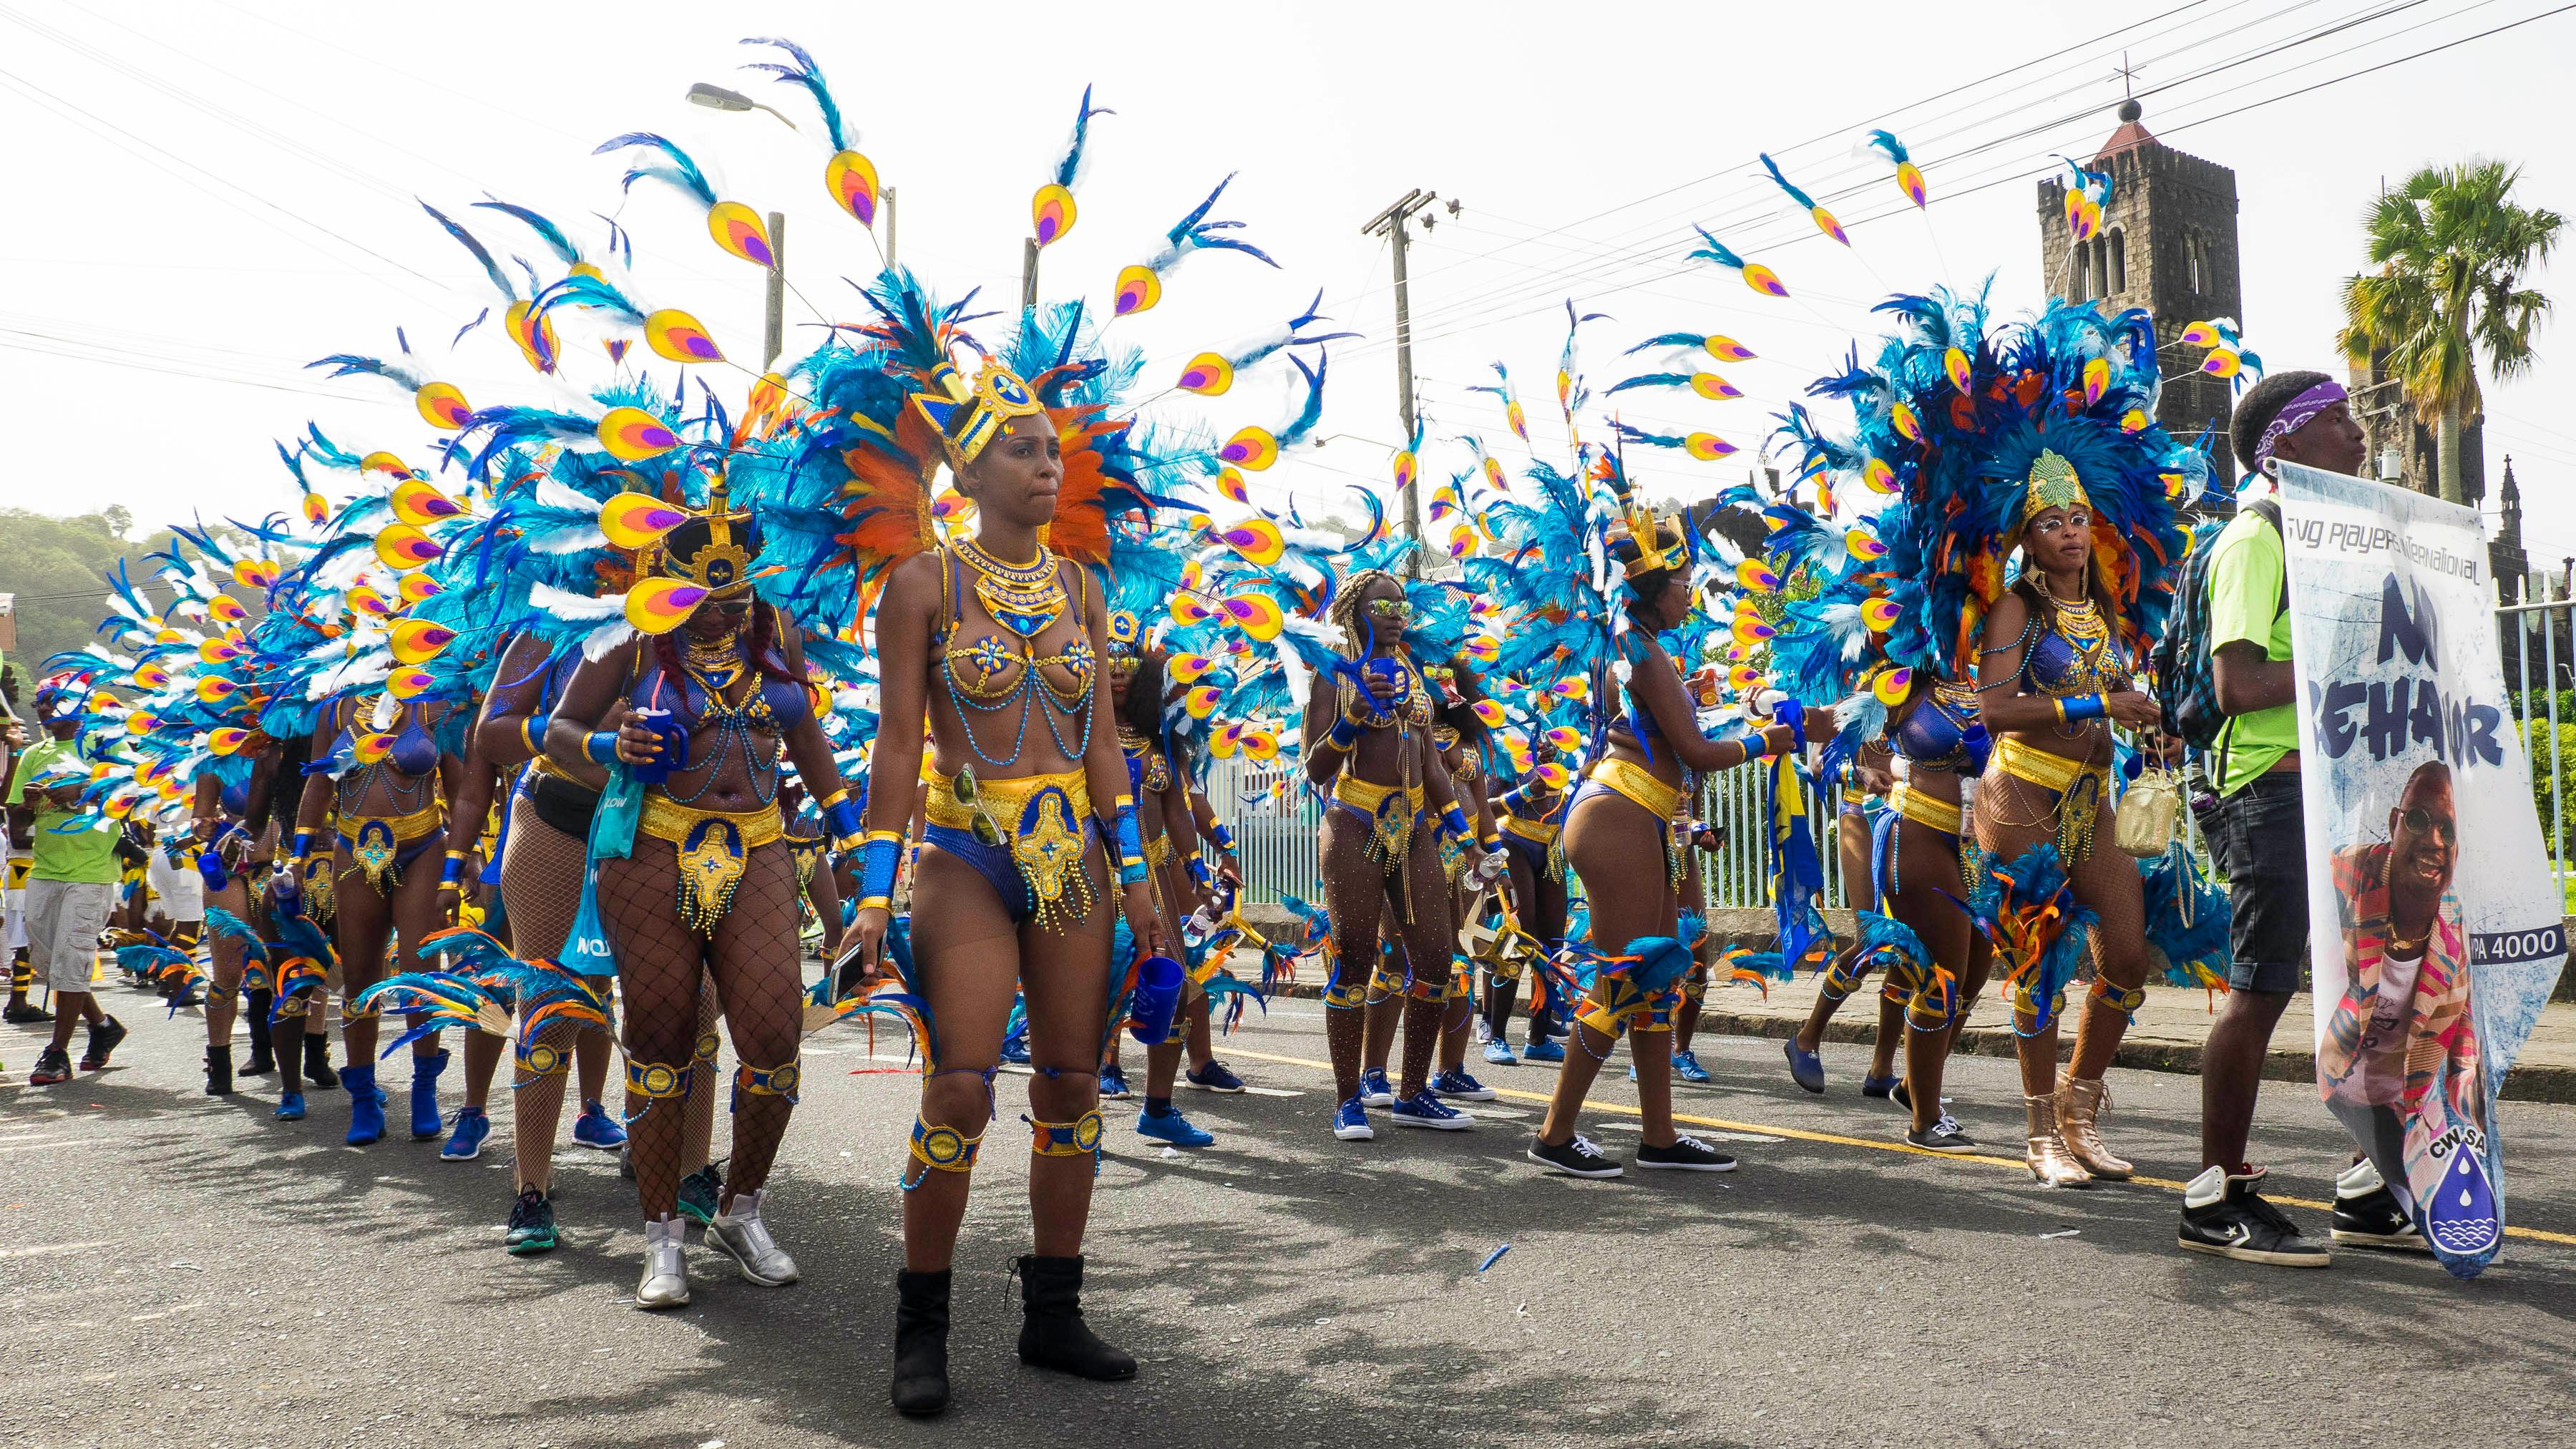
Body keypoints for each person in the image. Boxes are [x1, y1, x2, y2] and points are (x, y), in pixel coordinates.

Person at [839, 340, 1169, 1418]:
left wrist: (1139, 871)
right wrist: (874, 891)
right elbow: (896, 744)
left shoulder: (1083, 582)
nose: (1047, 467)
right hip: (965, 853)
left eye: (1053, 451)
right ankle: (920, 1324)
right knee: (961, 1088)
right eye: (1022, 451)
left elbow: (1106, 742)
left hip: (1071, 854)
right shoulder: (922, 582)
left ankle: (1053, 1313)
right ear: (968, 473)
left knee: (1074, 1084)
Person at [551, 483, 850, 1309]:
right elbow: (555, 732)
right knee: (660, 1036)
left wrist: (853, 831)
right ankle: (661, 1237)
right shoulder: (632, 635)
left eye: (735, 598)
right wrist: (614, 744)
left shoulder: (773, 630)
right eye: (702, 601)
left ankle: (740, 1209)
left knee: (771, 1033)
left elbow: (806, 736)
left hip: (756, 845)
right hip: (652, 848)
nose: (720, 618)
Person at [2182, 369, 2407, 1265]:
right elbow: (2237, 683)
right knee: (2262, 989)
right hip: (2267, 792)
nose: (2358, 434)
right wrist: (2353, 673)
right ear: (2287, 443)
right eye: (2340, 421)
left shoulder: (2333, 537)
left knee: (2376, 989)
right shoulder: (2255, 538)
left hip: (2339, 792)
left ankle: (2366, 1186)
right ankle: (2214, 1193)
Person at [1526, 497, 1797, 1180]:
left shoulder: (1637, 641)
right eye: (1684, 585)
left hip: (1637, 815)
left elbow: (1678, 735)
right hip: (1618, 816)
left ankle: (1661, 1137)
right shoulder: (1640, 648)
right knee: (1623, 981)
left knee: (1654, 975)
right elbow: (1698, 753)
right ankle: (1555, 1134)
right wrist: (1769, 739)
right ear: (1654, 588)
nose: (1691, 595)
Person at [1299, 570, 1490, 1140]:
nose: (1396, 612)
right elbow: (1314, 768)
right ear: (1356, 608)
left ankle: (1412, 1093)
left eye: (1402, 604)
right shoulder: (1334, 673)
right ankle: (1348, 1100)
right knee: (1355, 960)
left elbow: (1433, 768)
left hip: (1414, 830)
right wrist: (1353, 716)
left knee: (1435, 960)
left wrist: (1464, 836)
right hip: (1353, 820)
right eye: (1383, 603)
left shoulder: (1412, 673)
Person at [286, 686, 460, 1145]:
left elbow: (461, 788)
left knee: (422, 972)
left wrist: (465, 860)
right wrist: (299, 856)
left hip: (423, 848)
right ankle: (363, 1097)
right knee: (360, 976)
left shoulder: (438, 702)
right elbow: (320, 781)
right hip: (353, 848)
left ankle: (426, 1091)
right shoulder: (335, 707)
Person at [11, 684, 127, 1086]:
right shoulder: (32, 755)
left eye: (51, 702)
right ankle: (101, 1025)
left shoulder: (105, 745)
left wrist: (77, 798)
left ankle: (57, 1053)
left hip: (92, 871)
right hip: (44, 870)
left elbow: (130, 796)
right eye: (38, 703)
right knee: (48, 963)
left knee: (72, 961)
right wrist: (28, 806)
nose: (43, 710)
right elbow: (16, 828)